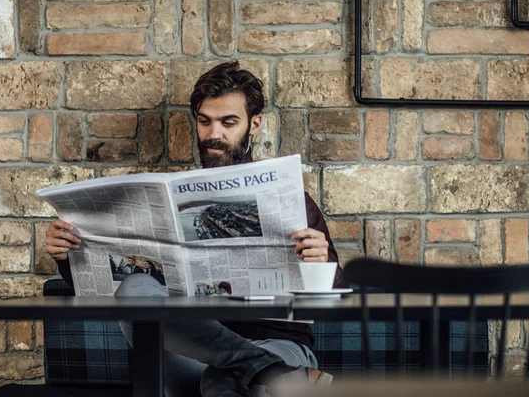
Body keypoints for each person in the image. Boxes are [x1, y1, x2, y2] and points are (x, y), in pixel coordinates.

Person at [45, 61, 346, 397]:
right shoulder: (168, 196)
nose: (214, 134)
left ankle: (259, 365)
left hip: (279, 344)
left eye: (228, 122)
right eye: (205, 121)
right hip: (189, 352)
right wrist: (67, 252)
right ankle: (262, 367)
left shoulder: (290, 198)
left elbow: (333, 298)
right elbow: (101, 290)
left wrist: (321, 264)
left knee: (221, 380)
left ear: (254, 124)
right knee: (133, 288)